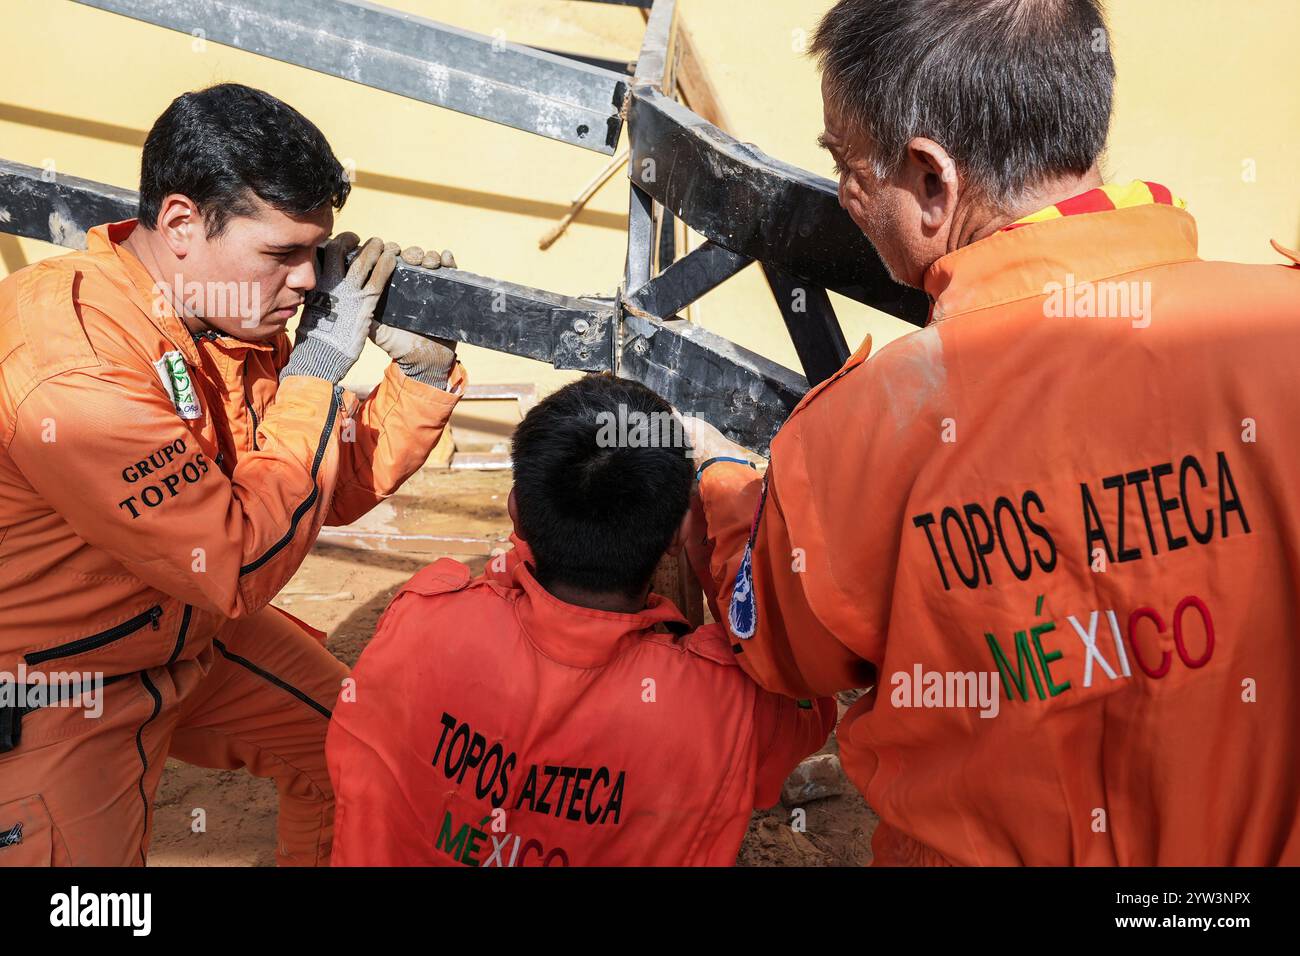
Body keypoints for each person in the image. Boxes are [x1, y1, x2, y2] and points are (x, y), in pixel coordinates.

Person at [682, 0, 1300, 865]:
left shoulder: (861, 434)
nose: (844, 198)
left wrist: (720, 490)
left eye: (849, 167)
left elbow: (787, 650)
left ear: (933, 183)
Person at [0, 83, 464, 865]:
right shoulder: (71, 363)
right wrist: (317, 367)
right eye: (282, 254)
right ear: (181, 223)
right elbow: (234, 561)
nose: (311, 281)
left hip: (179, 631)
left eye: (315, 252)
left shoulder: (218, 316)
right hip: (57, 684)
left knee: (361, 756)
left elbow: (314, 486)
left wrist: (420, 376)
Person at [327, 374, 835, 866]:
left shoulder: (420, 619)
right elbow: (802, 678)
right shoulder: (731, 705)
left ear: (515, 511)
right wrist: (723, 486)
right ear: (681, 530)